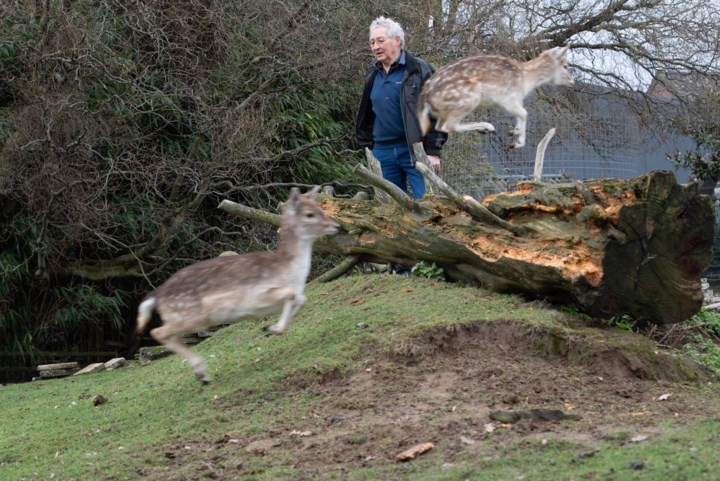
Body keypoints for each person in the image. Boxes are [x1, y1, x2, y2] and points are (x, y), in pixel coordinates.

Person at [356, 16, 448, 200]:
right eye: (372, 42)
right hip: (382, 153)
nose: (375, 47)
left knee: (429, 205)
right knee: (391, 211)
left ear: (397, 40)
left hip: (415, 150)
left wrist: (433, 151)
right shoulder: (372, 74)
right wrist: (368, 145)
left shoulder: (420, 70)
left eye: (380, 40)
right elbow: (369, 113)